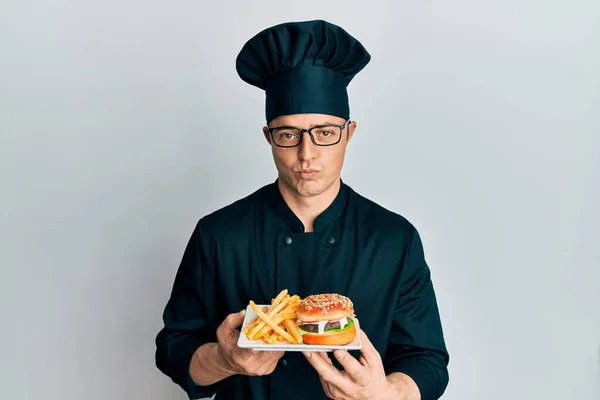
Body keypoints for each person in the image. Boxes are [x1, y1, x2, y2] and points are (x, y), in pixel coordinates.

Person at [155, 19, 449, 400]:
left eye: (325, 133)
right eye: (288, 134)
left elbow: (427, 359)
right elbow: (173, 348)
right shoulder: (219, 233)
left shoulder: (394, 238)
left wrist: (387, 394)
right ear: (268, 137)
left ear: (349, 133)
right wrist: (224, 360)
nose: (306, 154)